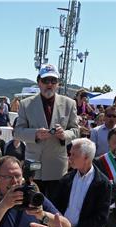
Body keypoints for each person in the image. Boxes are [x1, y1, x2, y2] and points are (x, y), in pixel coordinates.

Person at [14, 64, 79, 192]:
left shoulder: (69, 104)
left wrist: (64, 135)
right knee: (32, 207)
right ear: (39, 82)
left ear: (58, 84)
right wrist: (35, 134)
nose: (49, 84)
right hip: (33, 167)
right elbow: (17, 132)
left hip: (57, 168)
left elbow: (76, 131)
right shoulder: (25, 104)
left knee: (56, 207)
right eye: (45, 80)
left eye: (53, 81)